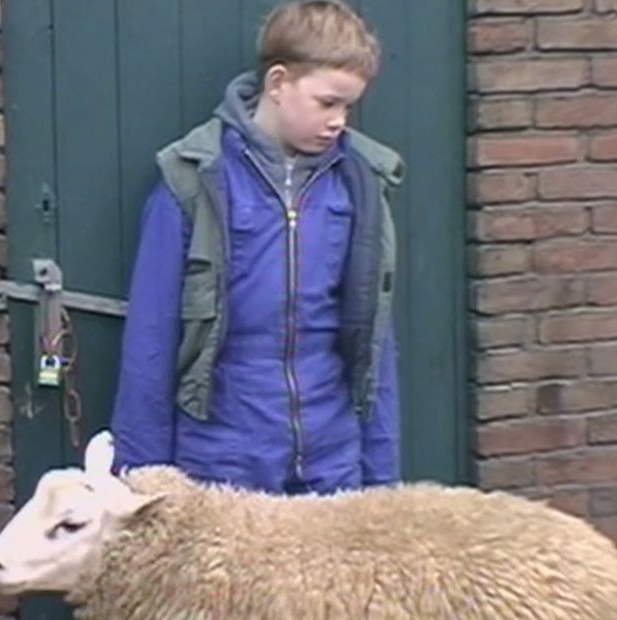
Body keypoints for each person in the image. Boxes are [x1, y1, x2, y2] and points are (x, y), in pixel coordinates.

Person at [111, 0, 404, 495]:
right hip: (222, 457)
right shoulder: (193, 181)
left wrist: (382, 478)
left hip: (332, 457)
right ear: (277, 83)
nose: (339, 121)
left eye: (348, 106)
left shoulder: (360, 182)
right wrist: (143, 479)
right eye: (327, 102)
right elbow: (150, 341)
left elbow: (376, 342)